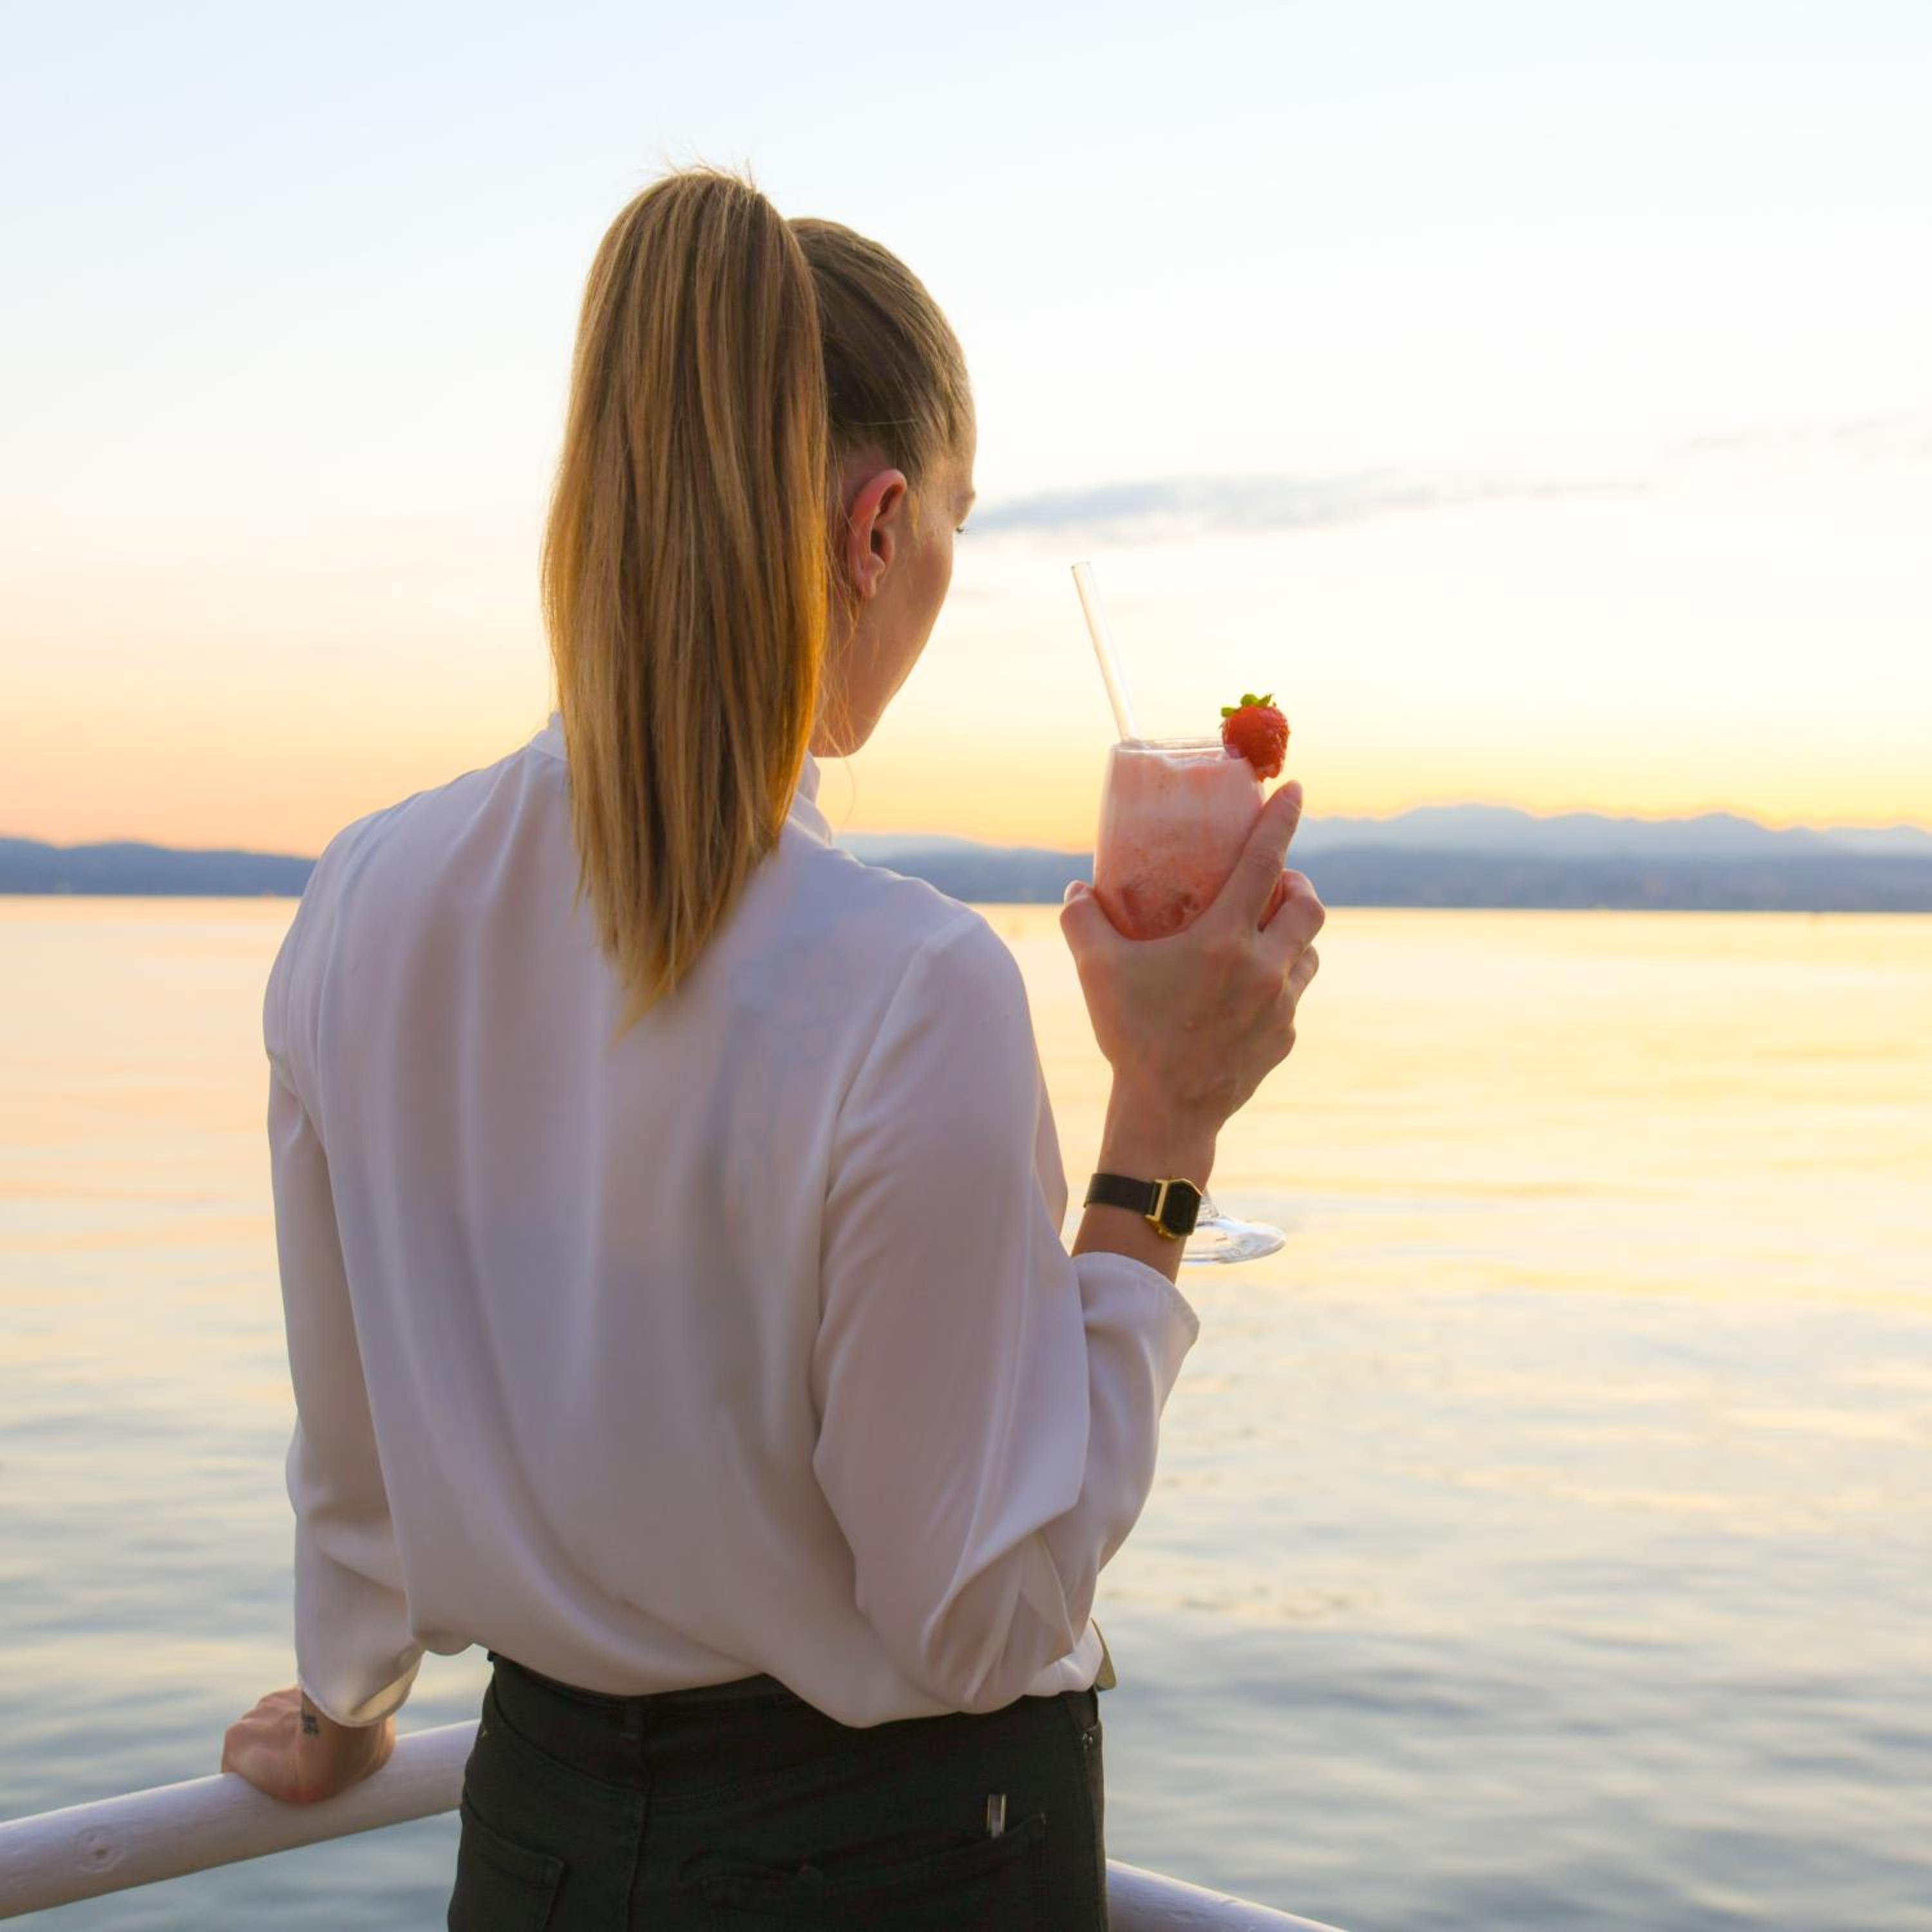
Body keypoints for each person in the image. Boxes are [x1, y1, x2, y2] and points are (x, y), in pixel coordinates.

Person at [218, 165, 1324, 1929]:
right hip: (893, 1866)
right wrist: (1168, 1132)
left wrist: (349, 1710)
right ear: (879, 529)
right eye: (954, 522)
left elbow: (354, 1461)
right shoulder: (907, 987)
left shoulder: (363, 901)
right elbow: (980, 1617)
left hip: (539, 1852)